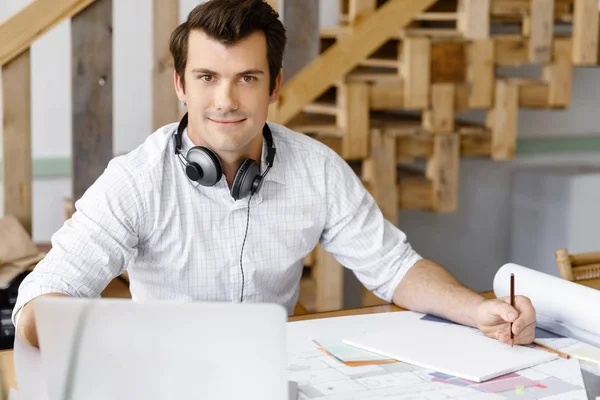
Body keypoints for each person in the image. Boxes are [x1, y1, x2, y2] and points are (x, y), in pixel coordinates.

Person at [13, 0, 536, 348]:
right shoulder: (135, 181)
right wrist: (127, 340)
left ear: (274, 84)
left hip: (274, 375)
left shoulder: (316, 168)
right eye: (207, 77)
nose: (225, 100)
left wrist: (479, 309)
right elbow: (38, 307)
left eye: (247, 78)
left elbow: (395, 268)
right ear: (180, 84)